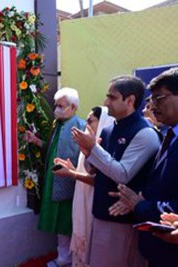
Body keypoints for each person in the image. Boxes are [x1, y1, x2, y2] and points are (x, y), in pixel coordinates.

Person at [109, 67, 178, 266]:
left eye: (159, 99)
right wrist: (142, 195)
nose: (152, 106)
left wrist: (140, 205)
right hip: (161, 249)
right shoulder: (174, 132)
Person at [71, 76, 160, 267]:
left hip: (122, 221)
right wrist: (88, 152)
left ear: (130, 101)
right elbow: (93, 169)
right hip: (101, 213)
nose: (106, 103)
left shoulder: (145, 133)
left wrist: (93, 149)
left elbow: (122, 174)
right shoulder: (109, 129)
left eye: (112, 97)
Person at [24, 87, 85, 267]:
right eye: (56, 105)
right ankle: (64, 258)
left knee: (70, 221)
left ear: (73, 107)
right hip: (54, 181)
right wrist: (36, 141)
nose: (57, 108)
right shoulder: (56, 125)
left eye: (61, 105)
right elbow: (51, 148)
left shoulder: (81, 126)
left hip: (71, 183)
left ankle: (75, 259)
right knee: (59, 223)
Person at [53, 106, 115, 267]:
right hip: (82, 197)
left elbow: (99, 181)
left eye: (91, 120)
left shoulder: (103, 147)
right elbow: (86, 173)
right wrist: (72, 169)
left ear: (103, 122)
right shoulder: (90, 144)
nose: (86, 124)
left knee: (90, 243)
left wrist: (71, 174)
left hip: (94, 202)